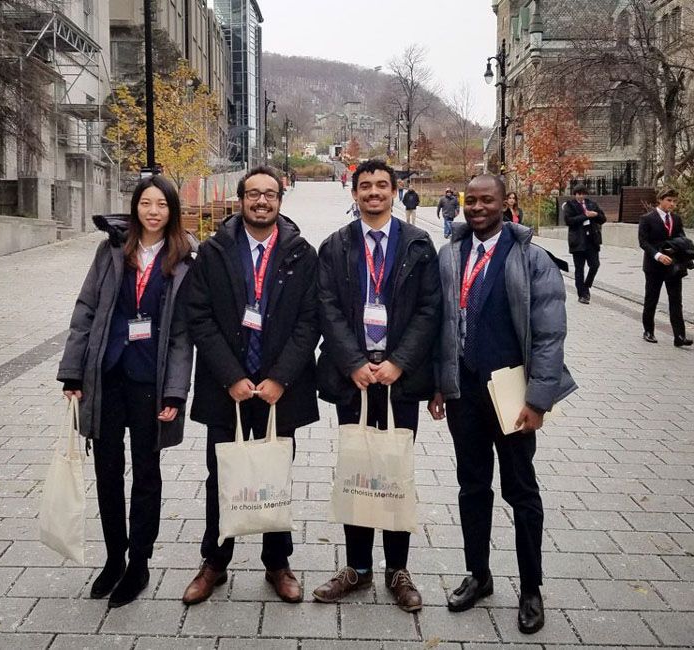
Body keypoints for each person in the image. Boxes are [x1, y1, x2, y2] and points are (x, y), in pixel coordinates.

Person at [428, 174, 577, 635]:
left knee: (520, 491)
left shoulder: (531, 259)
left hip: (512, 395)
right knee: (472, 487)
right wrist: (438, 383)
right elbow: (439, 325)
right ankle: (479, 575)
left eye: (485, 200)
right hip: (464, 395)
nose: (476, 207)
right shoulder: (450, 255)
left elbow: (550, 335)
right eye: (470, 200)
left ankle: (531, 588)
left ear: (503, 203)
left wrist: (540, 399)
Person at [182, 165, 320, 605]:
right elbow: (198, 316)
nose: (262, 201)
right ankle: (214, 563)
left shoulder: (302, 253)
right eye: (253, 194)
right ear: (240, 199)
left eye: (270, 195)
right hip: (228, 388)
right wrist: (232, 376)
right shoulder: (214, 250)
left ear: (281, 201)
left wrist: (280, 376)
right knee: (221, 475)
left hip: (281, 390)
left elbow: (310, 321)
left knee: (275, 474)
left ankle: (277, 563)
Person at [57, 176, 194, 608]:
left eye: (161, 205)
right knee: (108, 470)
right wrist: (73, 373)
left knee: (146, 472)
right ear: (136, 208)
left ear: (172, 211)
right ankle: (114, 557)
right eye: (146, 203)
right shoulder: (112, 250)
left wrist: (175, 393)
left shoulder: (186, 258)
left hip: (149, 382)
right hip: (108, 373)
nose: (153, 211)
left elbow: (182, 336)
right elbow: (86, 310)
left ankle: (140, 563)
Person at [313, 159, 441, 612]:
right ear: (354, 194)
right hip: (354, 380)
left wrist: (399, 363)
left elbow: (430, 309)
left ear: (394, 191)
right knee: (358, 467)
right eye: (365, 186)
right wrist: (352, 362)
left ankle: (398, 570)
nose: (373, 193)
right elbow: (325, 305)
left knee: (394, 470)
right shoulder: (335, 246)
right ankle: (357, 567)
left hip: (399, 380)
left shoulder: (418, 244)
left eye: (381, 186)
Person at [639, 187, 693, 347]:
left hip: (673, 266)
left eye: (674, 201)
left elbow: (681, 237)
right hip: (654, 265)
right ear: (660, 200)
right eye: (669, 200)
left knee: (676, 301)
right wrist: (658, 255)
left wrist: (679, 248)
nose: (672, 204)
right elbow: (643, 242)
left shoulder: (676, 219)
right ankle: (648, 331)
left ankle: (680, 336)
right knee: (651, 299)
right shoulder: (647, 218)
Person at [562, 185, 606, 304]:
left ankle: (587, 285)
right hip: (578, 241)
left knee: (595, 265)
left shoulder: (592, 204)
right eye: (578, 194)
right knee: (579, 269)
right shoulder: (570, 205)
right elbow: (569, 221)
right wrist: (585, 216)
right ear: (575, 194)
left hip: (592, 240)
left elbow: (603, 218)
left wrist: (595, 215)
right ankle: (582, 294)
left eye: (583, 194)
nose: (581, 196)